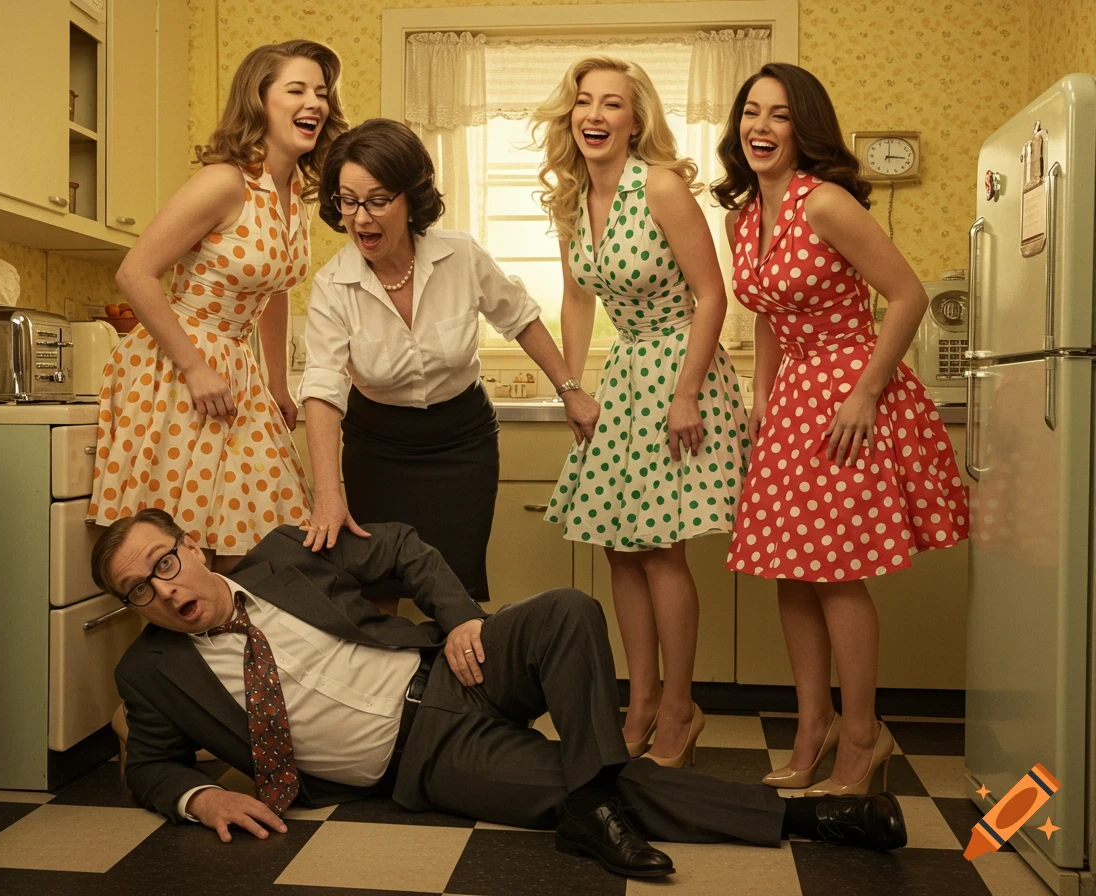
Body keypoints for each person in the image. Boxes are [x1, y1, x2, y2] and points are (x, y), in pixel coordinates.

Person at [94, 508, 908, 879]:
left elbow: (403, 548)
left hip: (451, 669)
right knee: (578, 780)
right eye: (138, 590)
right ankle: (814, 818)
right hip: (425, 758)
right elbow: (153, 767)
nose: (162, 591)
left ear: (194, 549)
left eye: (164, 563)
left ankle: (590, 803)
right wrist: (201, 798)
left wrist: (460, 620)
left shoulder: (283, 554)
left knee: (568, 610)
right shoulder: (151, 673)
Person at [711, 63, 969, 794]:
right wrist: (762, 396)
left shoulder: (824, 202)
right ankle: (813, 726)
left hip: (849, 391)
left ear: (805, 129)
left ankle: (862, 735)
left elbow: (908, 295)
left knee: (835, 572)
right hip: (794, 397)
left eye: (779, 115)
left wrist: (866, 392)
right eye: (751, 112)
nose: (761, 127)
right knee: (791, 572)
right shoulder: (742, 219)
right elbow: (769, 313)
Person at [532, 57, 750, 766]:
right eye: (583, 102)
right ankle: (643, 702)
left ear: (635, 120)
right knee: (620, 550)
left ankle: (681, 709)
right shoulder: (571, 199)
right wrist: (572, 385)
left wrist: (686, 393)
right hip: (624, 375)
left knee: (660, 550)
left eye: (612, 104)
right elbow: (575, 299)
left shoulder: (659, 186)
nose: (594, 115)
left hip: (680, 370)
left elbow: (711, 296)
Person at [296, 118, 600, 605]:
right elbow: (323, 388)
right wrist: (328, 495)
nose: (361, 219)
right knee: (377, 590)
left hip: (462, 443)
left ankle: (459, 657)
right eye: (348, 202)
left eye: (377, 201)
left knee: (454, 592)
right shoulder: (333, 286)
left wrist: (571, 390)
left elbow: (520, 318)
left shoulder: (460, 255)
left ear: (411, 199)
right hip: (378, 448)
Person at [88, 40, 348, 572]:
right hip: (175, 368)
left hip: (235, 366)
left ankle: (238, 628)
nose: (314, 103)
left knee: (262, 535)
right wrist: (194, 365)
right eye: (296, 90)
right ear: (259, 101)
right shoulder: (224, 181)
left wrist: (278, 383)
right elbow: (134, 273)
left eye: (321, 93)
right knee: (183, 549)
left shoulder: (294, 193)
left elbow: (274, 288)